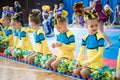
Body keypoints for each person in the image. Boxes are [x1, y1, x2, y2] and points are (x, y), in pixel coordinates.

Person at [73, 10, 104, 75]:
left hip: (96, 62)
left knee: (83, 73)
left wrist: (89, 62)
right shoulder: (85, 38)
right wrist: (78, 61)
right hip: (88, 60)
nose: (95, 28)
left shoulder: (100, 37)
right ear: (86, 26)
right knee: (75, 71)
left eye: (96, 25)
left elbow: (100, 53)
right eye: (92, 26)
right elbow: (81, 51)